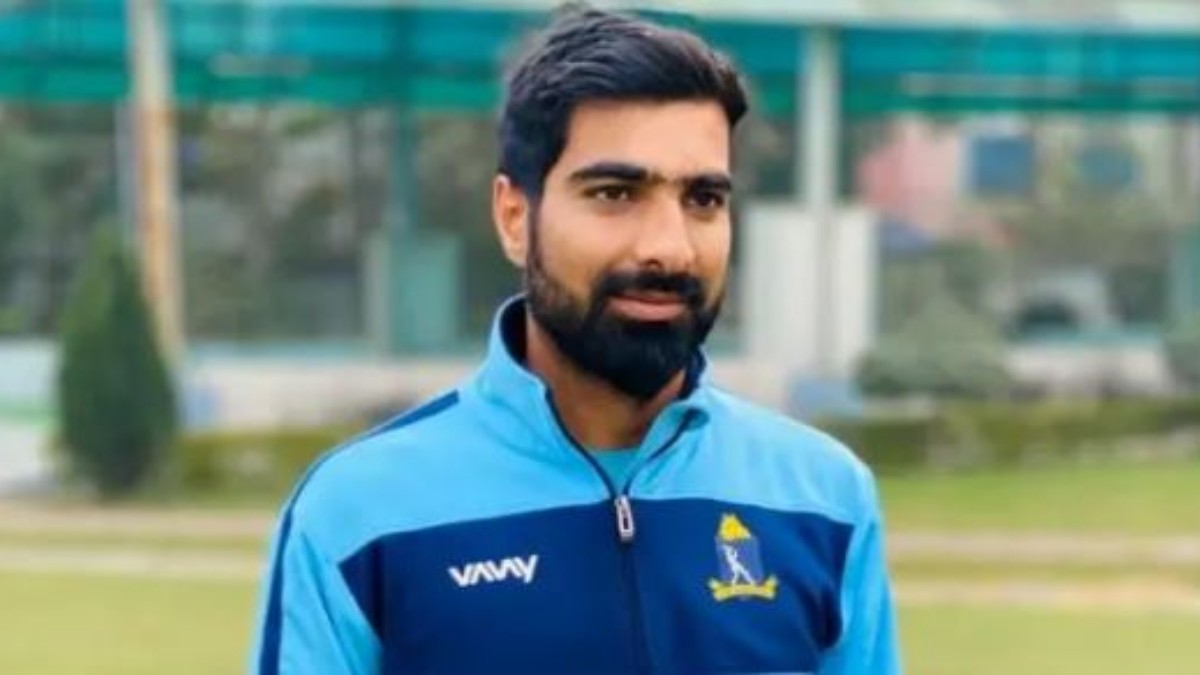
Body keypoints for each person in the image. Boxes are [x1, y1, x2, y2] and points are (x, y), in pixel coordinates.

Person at [249, 5, 901, 674]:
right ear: (514, 217)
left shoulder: (824, 499)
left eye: (702, 199)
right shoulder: (358, 514)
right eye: (615, 193)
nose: (669, 248)